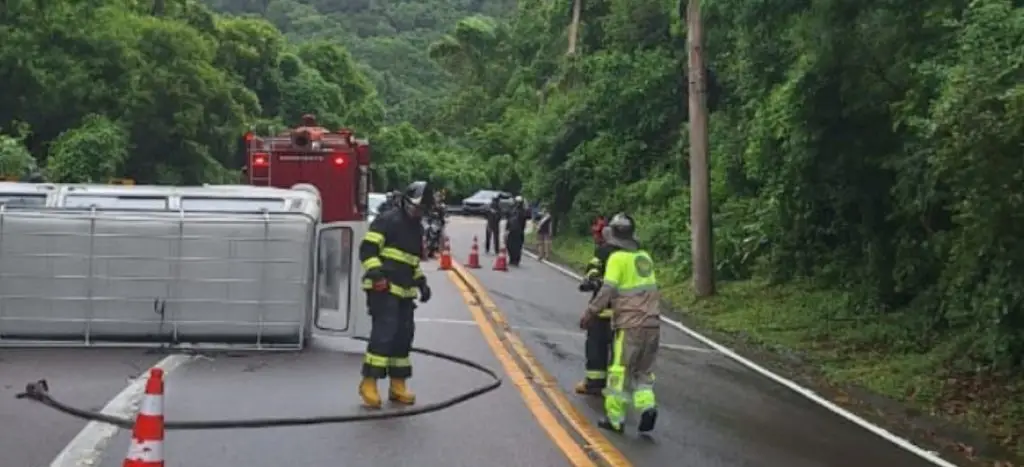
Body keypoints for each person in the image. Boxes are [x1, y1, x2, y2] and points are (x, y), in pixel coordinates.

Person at [579, 213, 660, 434]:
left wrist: (590, 313)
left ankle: (615, 419)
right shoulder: (644, 258)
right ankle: (648, 407)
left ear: (612, 234)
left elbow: (608, 290)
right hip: (653, 324)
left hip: (630, 325)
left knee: (619, 371)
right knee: (644, 371)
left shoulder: (617, 258)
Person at [357, 180, 434, 408]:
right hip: (383, 288)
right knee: (384, 335)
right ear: (406, 202)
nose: (417, 212)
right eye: (415, 208)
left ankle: (397, 384)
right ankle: (369, 383)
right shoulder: (388, 220)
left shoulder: (417, 228)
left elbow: (412, 261)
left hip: (405, 292)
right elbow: (367, 250)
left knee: (403, 337)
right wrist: (376, 275)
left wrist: (421, 283)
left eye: (422, 210)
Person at [573, 230, 622, 396]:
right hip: (628, 313)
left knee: (596, 346)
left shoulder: (604, 251)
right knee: (621, 352)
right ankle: (617, 386)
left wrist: (593, 280)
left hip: (603, 310)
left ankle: (595, 383)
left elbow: (592, 269)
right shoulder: (636, 255)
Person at [505, 196, 529, 266]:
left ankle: (516, 260)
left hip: (519, 231)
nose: (518, 204)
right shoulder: (513, 210)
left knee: (517, 246)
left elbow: (527, 217)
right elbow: (508, 219)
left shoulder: (523, 211)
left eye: (519, 202)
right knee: (509, 245)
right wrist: (507, 229)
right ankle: (512, 259)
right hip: (512, 230)